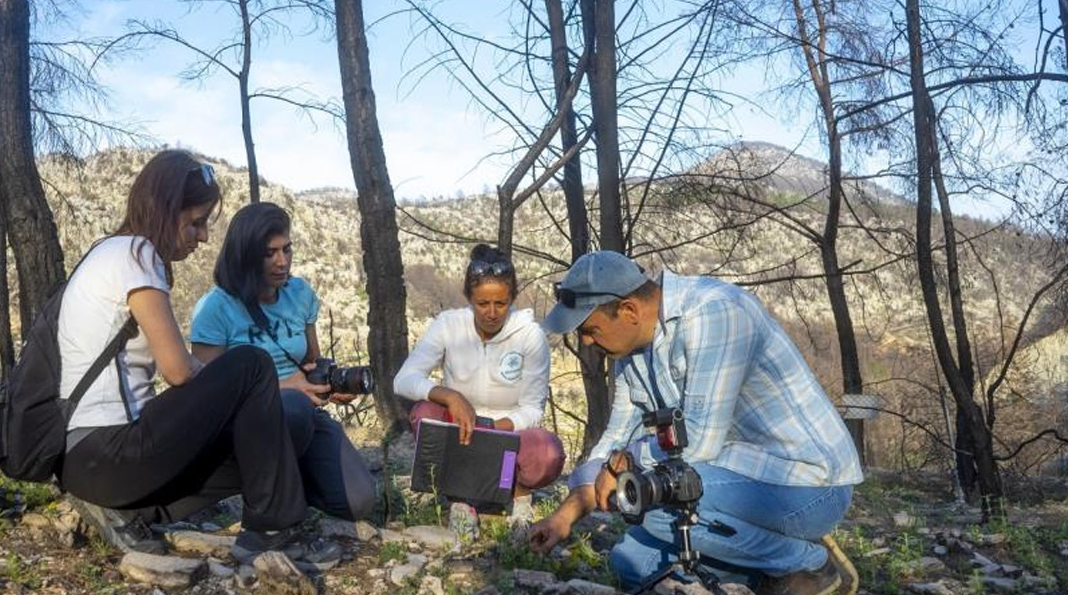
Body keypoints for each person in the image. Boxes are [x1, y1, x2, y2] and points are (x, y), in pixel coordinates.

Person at [58, 150, 338, 567]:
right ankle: (271, 530)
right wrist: (248, 389)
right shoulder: (137, 255)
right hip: (107, 452)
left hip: (92, 462)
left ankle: (132, 511)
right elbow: (177, 370)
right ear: (164, 211)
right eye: (196, 222)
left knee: (259, 438)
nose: (204, 236)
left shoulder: (108, 252)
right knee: (251, 364)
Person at [528, 250, 862, 595]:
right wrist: (565, 516)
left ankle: (808, 561)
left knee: (654, 507)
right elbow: (616, 439)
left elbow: (699, 441)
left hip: (807, 485)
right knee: (632, 563)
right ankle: (762, 561)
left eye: (590, 329)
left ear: (628, 310)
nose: (585, 341)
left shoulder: (714, 312)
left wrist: (627, 462)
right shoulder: (630, 352)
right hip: (730, 479)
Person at [189, 202, 377, 522]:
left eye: (287, 249)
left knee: (359, 501)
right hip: (247, 423)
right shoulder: (215, 309)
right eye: (270, 253)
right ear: (246, 255)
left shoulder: (299, 293)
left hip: (301, 417)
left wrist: (330, 384)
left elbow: (311, 361)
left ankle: (292, 478)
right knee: (292, 407)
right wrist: (283, 387)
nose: (282, 261)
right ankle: (266, 505)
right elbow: (205, 395)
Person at [393, 244, 566, 524]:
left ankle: (519, 495)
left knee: (547, 452)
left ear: (512, 299)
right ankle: (459, 498)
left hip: (508, 433)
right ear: (469, 299)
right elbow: (403, 380)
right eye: (482, 304)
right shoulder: (449, 325)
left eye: (501, 303)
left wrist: (493, 432)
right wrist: (450, 396)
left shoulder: (529, 336)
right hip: (461, 432)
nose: (492, 313)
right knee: (424, 412)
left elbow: (533, 408)